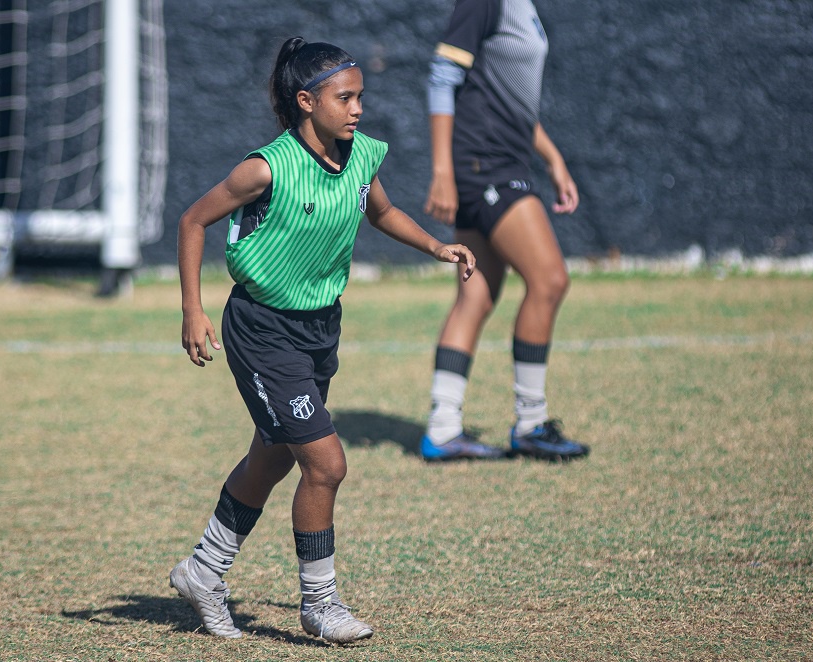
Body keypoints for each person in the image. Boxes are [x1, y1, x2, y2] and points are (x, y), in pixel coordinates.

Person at [171, 37, 477, 643]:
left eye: (361, 96)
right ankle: (320, 604)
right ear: (307, 102)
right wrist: (192, 310)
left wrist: (437, 245)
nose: (358, 108)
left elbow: (382, 213)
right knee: (326, 464)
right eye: (345, 97)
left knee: (277, 453)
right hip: (263, 329)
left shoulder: (360, 155)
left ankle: (202, 570)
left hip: (318, 327)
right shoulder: (265, 167)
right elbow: (192, 221)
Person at [419, 0, 590, 462]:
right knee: (550, 280)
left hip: (501, 161)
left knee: (475, 297)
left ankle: (443, 428)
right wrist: (442, 172)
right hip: (485, 165)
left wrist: (554, 160)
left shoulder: (523, 7)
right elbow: (442, 76)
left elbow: (510, 97)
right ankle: (531, 423)